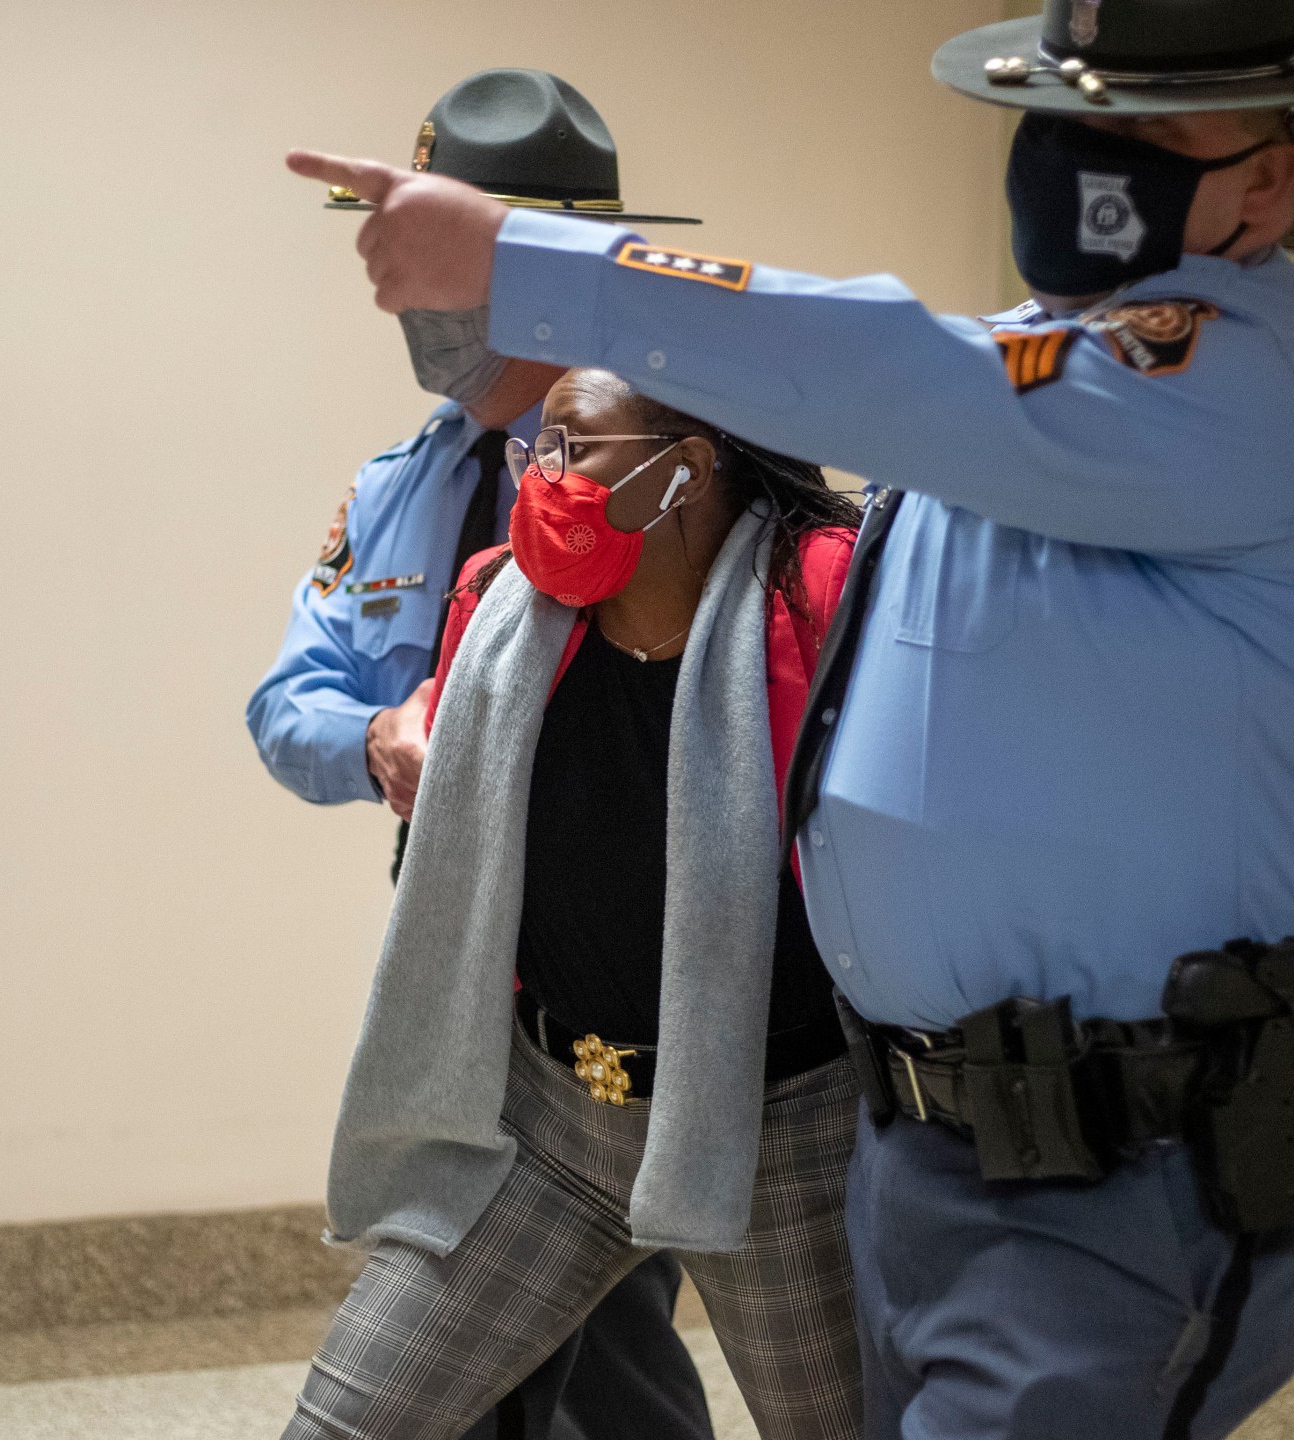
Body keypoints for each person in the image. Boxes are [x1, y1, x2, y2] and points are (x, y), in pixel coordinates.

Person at [285, 2, 1294, 1436]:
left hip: (1123, 1158)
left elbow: (898, 374)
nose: (1086, 158)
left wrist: (524, 263)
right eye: (1071, 120)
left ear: (1270, 178)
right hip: (926, 1142)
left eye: (1147, 134)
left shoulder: (1231, 387)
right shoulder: (1039, 368)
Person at [246, 69, 714, 1440]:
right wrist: (378, 736)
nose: (395, 292)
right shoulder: (409, 480)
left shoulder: (678, 465)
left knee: (590, 1344)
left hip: (641, 979)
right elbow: (288, 702)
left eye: (426, 247)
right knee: (544, 1357)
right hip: (461, 980)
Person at [281, 369, 866, 1440]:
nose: (540, 483)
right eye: (529, 454)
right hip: (548, 1123)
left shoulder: (817, 597)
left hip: (773, 1126)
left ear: (683, 469)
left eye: (575, 451)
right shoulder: (496, 605)